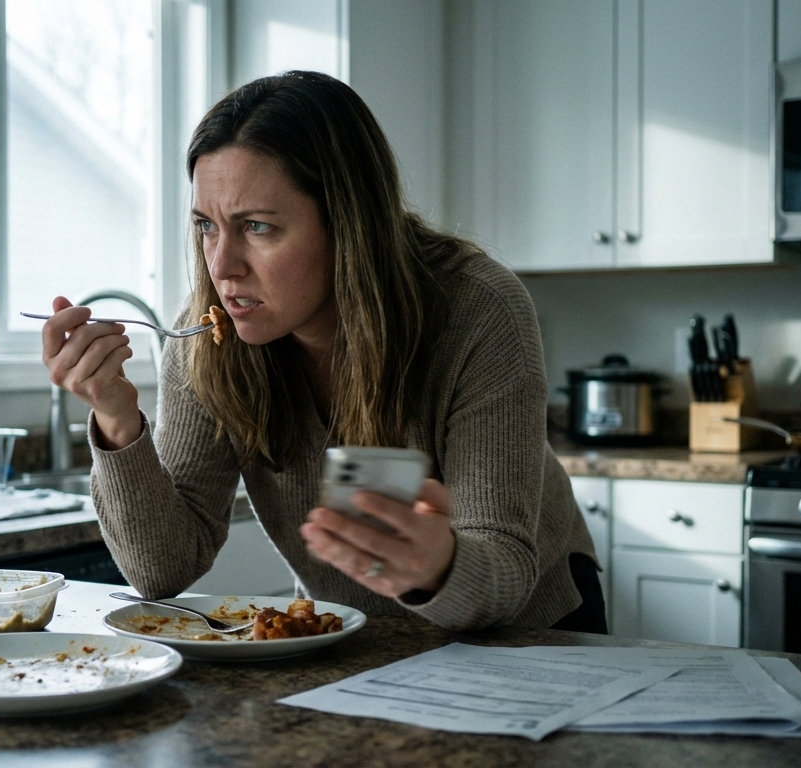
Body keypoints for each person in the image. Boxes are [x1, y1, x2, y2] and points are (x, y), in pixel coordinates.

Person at [41, 71, 604, 633]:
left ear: (348, 222)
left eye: (257, 227)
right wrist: (116, 417)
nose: (221, 267)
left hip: (532, 630)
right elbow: (162, 570)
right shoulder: (210, 338)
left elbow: (503, 575)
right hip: (357, 636)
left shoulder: (479, 310)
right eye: (207, 226)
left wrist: (439, 565)